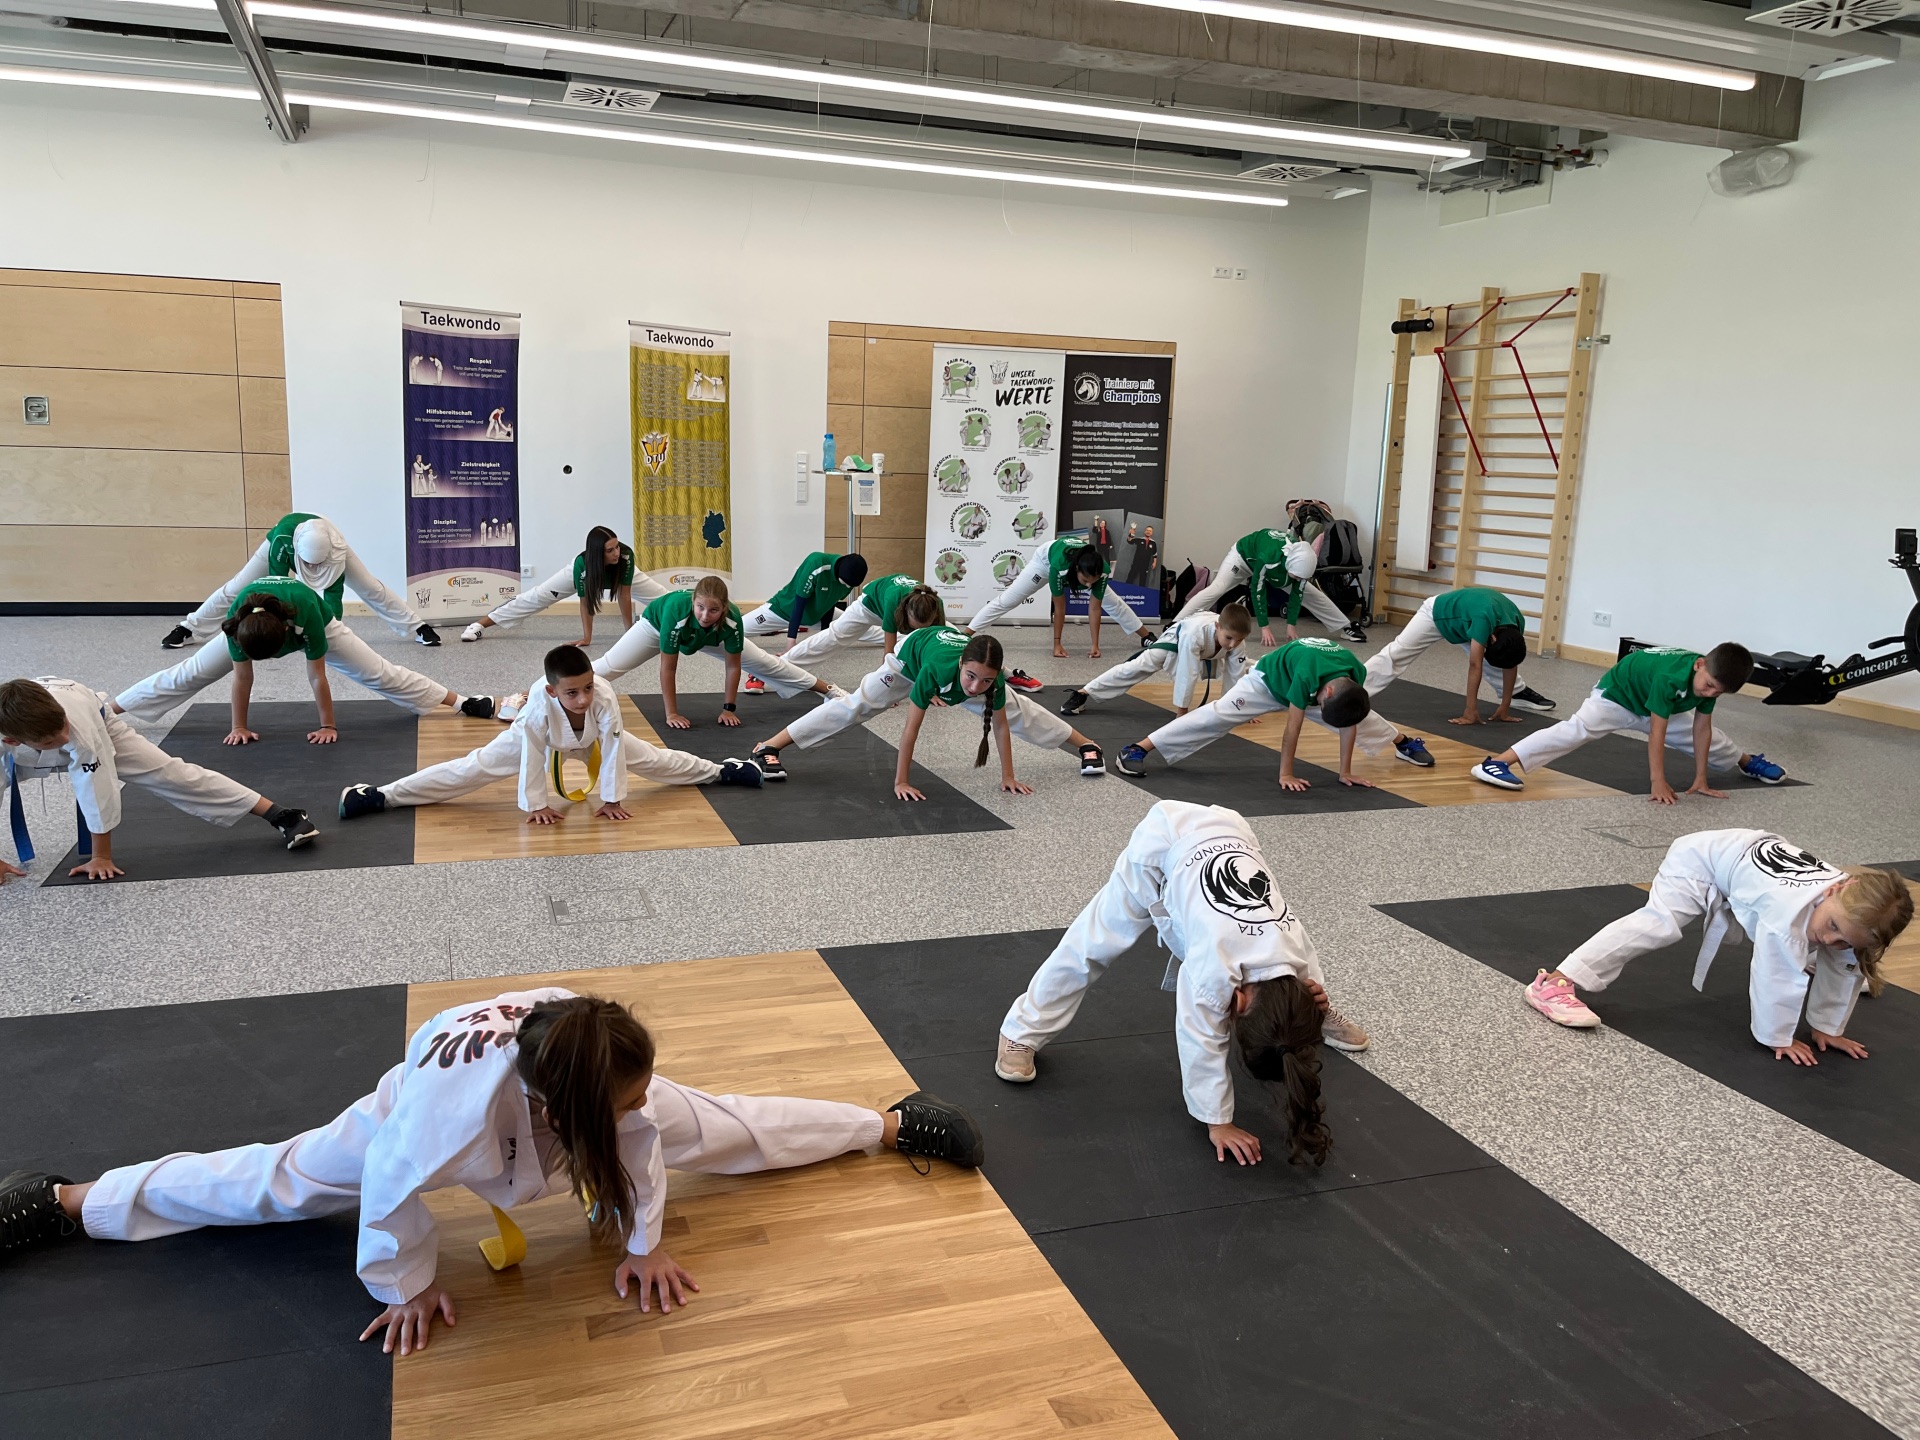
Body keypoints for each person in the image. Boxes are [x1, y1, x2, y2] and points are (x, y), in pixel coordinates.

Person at [0, 991, 985, 1354]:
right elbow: (388, 1196)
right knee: (281, 1181)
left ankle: (889, 1125)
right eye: (626, 1103)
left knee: (718, 1123)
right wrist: (410, 1285)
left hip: (560, 1086)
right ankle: (68, 1201)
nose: (642, 1110)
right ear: (561, 1110)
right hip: (423, 1106)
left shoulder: (601, 1063)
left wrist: (643, 1242)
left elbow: (641, 1137)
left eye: (638, 1093)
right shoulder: (437, 1123)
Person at [996, 801, 1368, 1165]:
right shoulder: (1214, 970)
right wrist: (1218, 1122)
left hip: (1230, 830)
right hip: (1161, 846)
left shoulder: (1291, 946)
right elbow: (1199, 1040)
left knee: (1297, 984)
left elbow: (1304, 976)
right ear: (1235, 1004)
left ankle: (1314, 1018)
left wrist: (1313, 1005)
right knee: (1091, 945)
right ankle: (1021, 1031)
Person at [1522, 830, 1912, 1064]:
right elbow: (1772, 977)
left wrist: (1827, 1028)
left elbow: (1847, 961)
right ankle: (1553, 983)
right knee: (1660, 924)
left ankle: (1809, 955)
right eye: (1832, 928)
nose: (1832, 940)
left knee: (1829, 950)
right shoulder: (1787, 914)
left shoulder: (1851, 906)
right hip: (1701, 860)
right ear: (1838, 888)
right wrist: (1778, 1036)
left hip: (1743, 852)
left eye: (1844, 938)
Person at [338, 645, 760, 824]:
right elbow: (532, 759)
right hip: (533, 742)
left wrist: (612, 797)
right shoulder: (538, 708)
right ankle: (381, 794)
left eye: (588, 687)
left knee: (655, 759)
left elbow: (613, 749)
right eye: (571, 692)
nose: (582, 698)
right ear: (551, 690)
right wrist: (536, 805)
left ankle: (722, 771)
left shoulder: (604, 699)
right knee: (473, 769)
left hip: (592, 740)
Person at [0, 676, 317, 883]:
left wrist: (101, 857)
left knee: (171, 773)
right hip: (27, 740)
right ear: (13, 741)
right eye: (56, 739)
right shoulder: (16, 741)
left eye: (64, 727)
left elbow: (97, 789)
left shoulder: (76, 727)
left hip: (97, 724)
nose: (66, 737)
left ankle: (280, 814)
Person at [118, 578, 493, 746]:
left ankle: (463, 701)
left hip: (315, 619)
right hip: (257, 623)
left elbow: (317, 676)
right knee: (190, 672)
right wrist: (239, 727)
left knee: (378, 672)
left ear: (287, 635)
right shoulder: (236, 625)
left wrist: (328, 725)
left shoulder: (310, 618)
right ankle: (108, 708)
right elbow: (242, 679)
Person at [748, 625, 1105, 794]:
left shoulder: (985, 678)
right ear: (963, 664)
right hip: (908, 662)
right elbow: (911, 731)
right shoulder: (935, 670)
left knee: (1017, 709)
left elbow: (1000, 727)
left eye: (985, 681)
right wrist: (901, 780)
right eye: (971, 678)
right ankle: (771, 746)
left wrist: (1007, 776)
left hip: (951, 663)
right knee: (856, 706)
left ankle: (1087, 744)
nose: (975, 688)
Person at [1470, 644, 1786, 800]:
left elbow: (1701, 728)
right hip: (1617, 697)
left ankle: (1747, 762)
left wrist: (1701, 779)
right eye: (1710, 685)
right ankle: (1497, 763)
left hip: (1661, 703)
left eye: (1719, 691)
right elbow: (1656, 733)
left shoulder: (1708, 679)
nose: (1712, 692)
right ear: (1699, 665)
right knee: (1574, 731)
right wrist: (1656, 781)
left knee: (1711, 738)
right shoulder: (1670, 677)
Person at [1114, 637, 1434, 788]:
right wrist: (1286, 774)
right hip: (1267, 682)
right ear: (1329, 692)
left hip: (1311, 685)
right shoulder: (1309, 675)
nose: (1318, 709)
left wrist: (1345, 770)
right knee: (1217, 713)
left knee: (1361, 716)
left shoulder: (1354, 677)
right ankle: (1139, 747)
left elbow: (1349, 723)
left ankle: (1402, 743)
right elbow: (1291, 730)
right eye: (1321, 704)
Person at [589, 578, 842, 730]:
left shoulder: (731, 620)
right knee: (610, 665)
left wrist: (729, 708)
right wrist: (671, 714)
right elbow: (668, 668)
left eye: (713, 609)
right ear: (693, 602)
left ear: (724, 608)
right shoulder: (677, 611)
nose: (705, 615)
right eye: (700, 607)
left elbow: (734, 667)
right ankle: (553, 685)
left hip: (712, 636)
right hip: (656, 628)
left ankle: (828, 689)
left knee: (766, 664)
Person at [164, 512, 441, 649]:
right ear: (299, 553)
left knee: (369, 586)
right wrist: (281, 629)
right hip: (282, 539)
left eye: (316, 565)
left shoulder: (335, 550)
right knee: (237, 587)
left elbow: (332, 594)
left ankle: (417, 626)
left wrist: (329, 634)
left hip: (323, 546)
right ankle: (188, 628)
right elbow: (276, 586)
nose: (311, 569)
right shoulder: (283, 543)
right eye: (307, 564)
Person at [1363, 586, 1556, 717]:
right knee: (1397, 654)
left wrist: (1504, 706)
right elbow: (1475, 665)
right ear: (1493, 637)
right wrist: (1470, 709)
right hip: (1437, 614)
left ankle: (1516, 694)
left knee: (1501, 657)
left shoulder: (1515, 625)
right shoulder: (1484, 621)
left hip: (1467, 621)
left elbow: (1510, 663)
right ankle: (1353, 687)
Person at [462, 526, 666, 646]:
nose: (615, 552)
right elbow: (586, 603)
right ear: (597, 552)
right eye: (610, 549)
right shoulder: (582, 565)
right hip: (580, 573)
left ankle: (692, 619)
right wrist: (587, 638)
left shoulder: (624, 556)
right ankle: (479, 625)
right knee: (537, 596)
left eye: (617, 546)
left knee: (663, 597)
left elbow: (624, 596)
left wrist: (629, 633)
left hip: (618, 575)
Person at [964, 535, 1146, 667]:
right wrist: (1057, 644)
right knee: (1008, 600)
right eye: (1085, 581)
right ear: (1076, 571)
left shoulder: (1101, 570)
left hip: (1076, 563)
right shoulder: (1059, 567)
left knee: (1113, 602)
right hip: (1044, 561)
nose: (1090, 585)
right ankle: (965, 634)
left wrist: (1095, 645)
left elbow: (1095, 608)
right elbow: (1059, 608)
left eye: (1094, 580)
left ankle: (1147, 636)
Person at [1058, 604, 1253, 718]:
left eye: (1239, 639)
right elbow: (1188, 672)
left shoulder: (1236, 642)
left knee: (1247, 667)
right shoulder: (1195, 633)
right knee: (1137, 667)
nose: (1233, 644)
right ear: (1218, 626)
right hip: (1176, 640)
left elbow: (1235, 676)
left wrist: (1235, 706)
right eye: (1229, 638)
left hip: (1205, 651)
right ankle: (1085, 692)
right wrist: (1182, 712)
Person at [1173, 527, 1360, 644]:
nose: (1297, 580)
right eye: (1295, 576)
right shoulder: (1270, 557)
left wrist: (1291, 625)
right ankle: (1175, 625)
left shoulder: (1302, 563)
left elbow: (1297, 593)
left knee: (1312, 593)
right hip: (1243, 558)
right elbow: (1257, 589)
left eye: (1300, 578)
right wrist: (1264, 627)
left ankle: (1345, 626)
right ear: (1289, 566)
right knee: (1217, 588)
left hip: (1278, 567)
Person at [780, 572, 921, 665]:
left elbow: (932, 642)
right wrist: (887, 691)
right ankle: (781, 662)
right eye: (912, 626)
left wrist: (928, 689)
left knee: (933, 637)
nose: (913, 629)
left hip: (894, 605)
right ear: (905, 613)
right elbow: (888, 655)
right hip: (868, 605)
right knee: (834, 636)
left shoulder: (933, 602)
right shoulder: (894, 600)